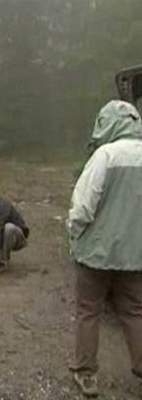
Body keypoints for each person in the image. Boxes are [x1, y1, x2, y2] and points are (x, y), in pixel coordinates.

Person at [67, 100, 142, 397]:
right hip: (135, 255)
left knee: (88, 312)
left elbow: (83, 207)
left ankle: (87, 374)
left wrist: (74, 235)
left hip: (95, 254)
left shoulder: (106, 155)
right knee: (135, 312)